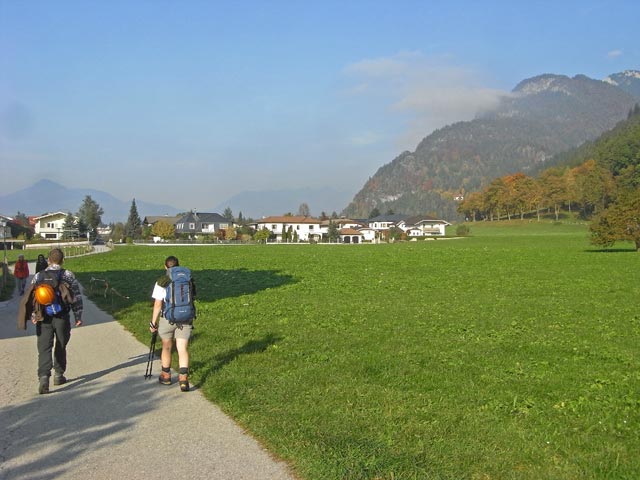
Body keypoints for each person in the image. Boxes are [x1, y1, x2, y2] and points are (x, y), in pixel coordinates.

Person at [30, 248, 83, 394]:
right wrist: (78, 316)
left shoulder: (39, 276)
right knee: (61, 344)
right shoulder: (68, 275)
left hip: (43, 317)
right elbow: (76, 298)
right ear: (63, 260)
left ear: (48, 260)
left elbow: (32, 298)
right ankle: (59, 375)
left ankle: (44, 378)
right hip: (62, 317)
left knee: (44, 347)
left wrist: (33, 315)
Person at [149, 255, 193, 392]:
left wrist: (153, 322)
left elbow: (157, 304)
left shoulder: (163, 281)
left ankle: (166, 375)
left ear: (165, 267)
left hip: (168, 318)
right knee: (182, 349)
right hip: (185, 317)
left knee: (167, 347)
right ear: (179, 265)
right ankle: (183, 379)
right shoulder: (188, 278)